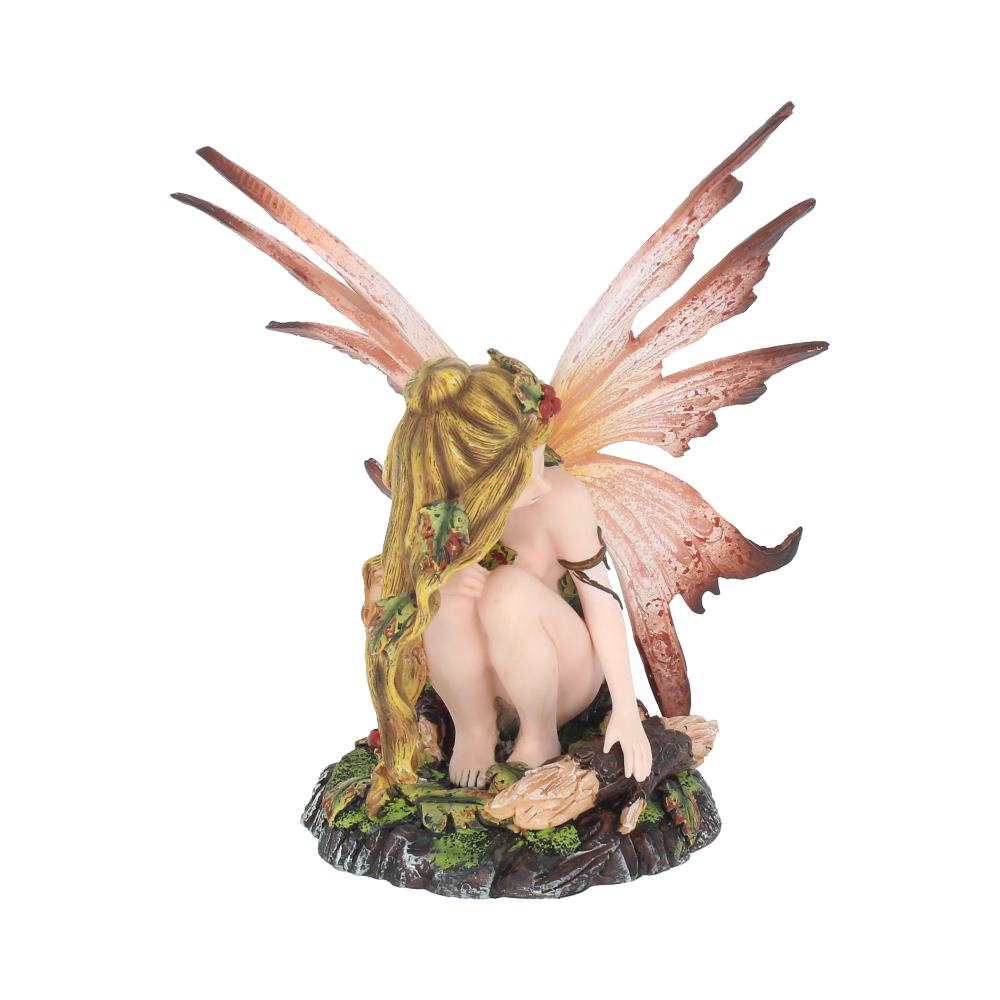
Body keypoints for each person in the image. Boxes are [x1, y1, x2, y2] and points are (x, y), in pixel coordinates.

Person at [363, 353, 652, 803]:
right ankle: (475, 728)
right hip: (484, 682)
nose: (541, 483)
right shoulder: (442, 518)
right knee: (439, 591)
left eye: (539, 461)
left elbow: (601, 598)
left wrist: (626, 710)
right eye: (521, 475)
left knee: (507, 588)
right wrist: (440, 585)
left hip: (562, 674)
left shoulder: (561, 500)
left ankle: (539, 735)